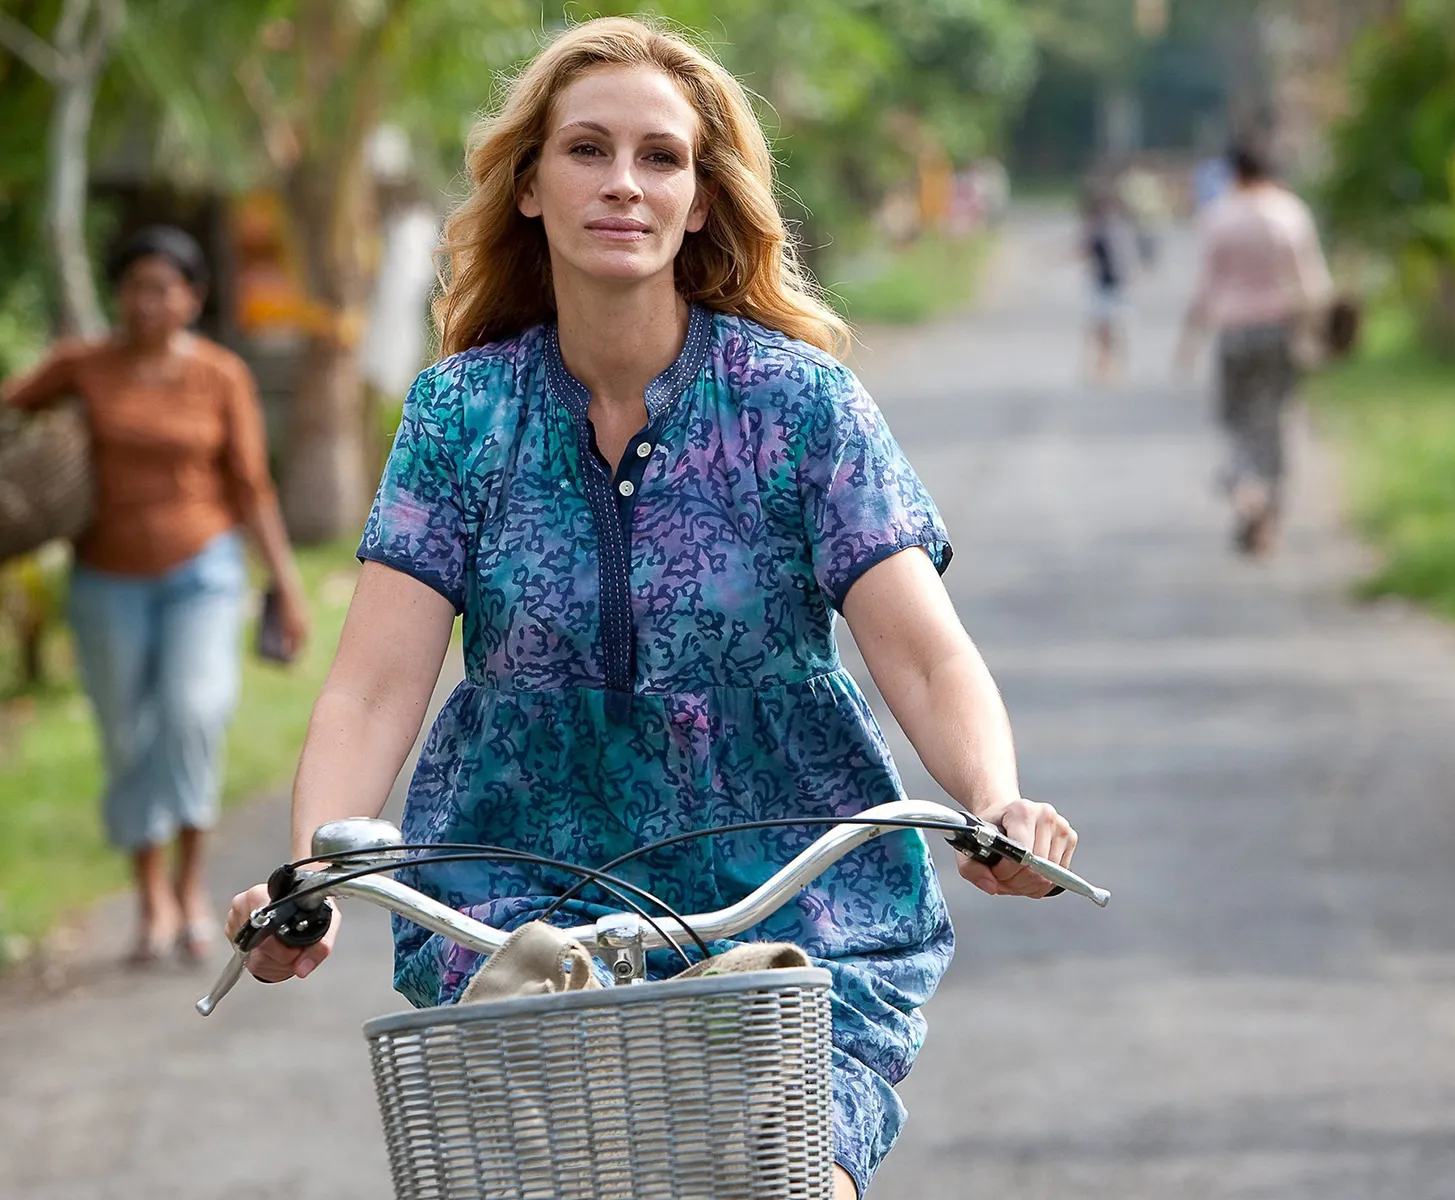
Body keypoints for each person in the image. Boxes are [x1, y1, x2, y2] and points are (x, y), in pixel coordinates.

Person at [224, 17, 1079, 1198]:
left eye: (660, 157)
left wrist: (994, 802)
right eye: (587, 149)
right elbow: (373, 685)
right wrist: (307, 879)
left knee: (789, 1180)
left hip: (793, 902)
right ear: (531, 187)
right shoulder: (460, 415)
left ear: (699, 198)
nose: (623, 182)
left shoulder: (799, 405)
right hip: (523, 907)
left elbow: (925, 655)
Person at [2, 225, 311, 963]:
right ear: (119, 294)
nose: (147, 302)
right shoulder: (82, 365)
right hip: (105, 580)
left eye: (163, 288)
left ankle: (190, 884)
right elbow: (11, 407)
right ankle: (151, 899)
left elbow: (251, 485)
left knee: (192, 713)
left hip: (202, 572)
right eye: (135, 287)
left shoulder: (220, 374)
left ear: (192, 297)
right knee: (127, 736)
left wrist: (286, 583)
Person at [1176, 141, 1332, 555]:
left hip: (1234, 333)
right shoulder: (1290, 213)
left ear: (1235, 173)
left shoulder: (1220, 216)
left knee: (1237, 421)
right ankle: (1270, 516)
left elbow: (1206, 287)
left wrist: (1189, 341)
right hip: (1280, 330)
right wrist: (1319, 333)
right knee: (1276, 420)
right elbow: (1311, 279)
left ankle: (1247, 490)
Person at [1080, 189, 1128, 385]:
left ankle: (1107, 368)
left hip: (1110, 286)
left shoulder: (1107, 230)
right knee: (1102, 329)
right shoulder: (1105, 230)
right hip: (1105, 285)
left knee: (1106, 330)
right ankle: (1103, 367)